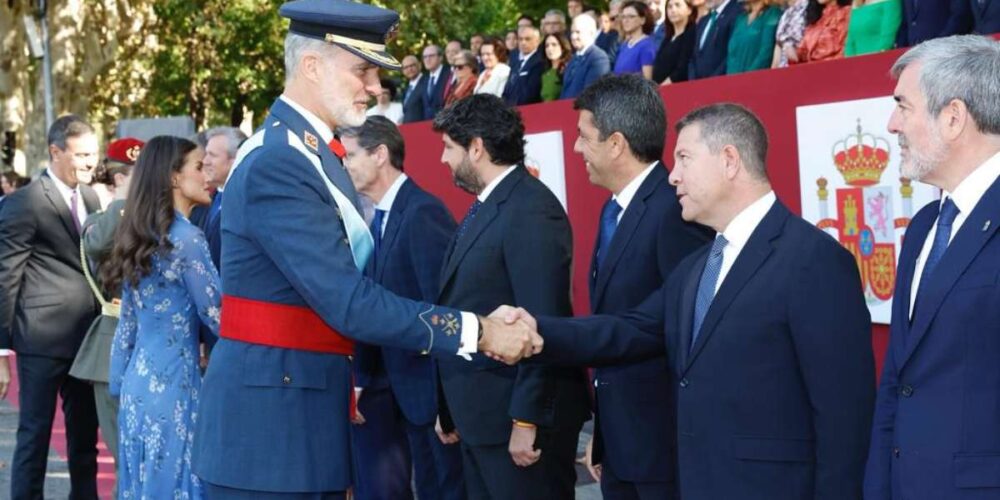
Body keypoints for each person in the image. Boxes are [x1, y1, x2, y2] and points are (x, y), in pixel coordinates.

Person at [190, 1, 539, 498]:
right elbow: (349, 301)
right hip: (270, 438)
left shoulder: (311, 153)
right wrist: (477, 330)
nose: (375, 87)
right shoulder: (281, 163)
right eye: (363, 70)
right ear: (311, 66)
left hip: (300, 415)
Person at [497, 103, 876, 500]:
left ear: (729, 160)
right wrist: (536, 332)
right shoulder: (695, 268)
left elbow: (844, 418)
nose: (673, 176)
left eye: (684, 159)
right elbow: (631, 328)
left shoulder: (814, 260)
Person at [431, 94, 591, 500]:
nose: (443, 160)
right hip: (482, 420)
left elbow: (542, 319)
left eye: (449, 148)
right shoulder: (489, 205)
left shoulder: (531, 209)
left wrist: (526, 419)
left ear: (477, 147)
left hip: (515, 427)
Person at [864, 34, 1000, 500]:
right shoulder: (924, 226)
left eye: (903, 106)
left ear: (954, 117)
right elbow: (899, 382)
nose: (891, 124)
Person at [572, 74, 714, 500]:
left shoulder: (675, 210)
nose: (577, 148)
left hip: (662, 448)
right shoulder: (614, 208)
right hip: (621, 442)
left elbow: (680, 330)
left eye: (584, 137)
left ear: (615, 144)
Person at [341, 117, 465, 500]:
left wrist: (447, 405)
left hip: (431, 402)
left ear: (380, 155)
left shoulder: (422, 213)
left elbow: (444, 312)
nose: (344, 165)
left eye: (351, 156)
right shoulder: (381, 217)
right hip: (405, 396)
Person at [100, 135, 215, 498]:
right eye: (199, 166)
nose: (207, 172)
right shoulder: (188, 239)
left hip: (137, 387)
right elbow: (220, 316)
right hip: (175, 387)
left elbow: (127, 328)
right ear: (174, 178)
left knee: (142, 487)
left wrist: (120, 384)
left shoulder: (143, 235)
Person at [0, 114, 102, 500]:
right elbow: (5, 277)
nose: (90, 162)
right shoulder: (23, 203)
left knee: (84, 441)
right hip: (40, 342)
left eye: (92, 153)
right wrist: (1, 351)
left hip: (86, 340)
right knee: (35, 437)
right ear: (55, 151)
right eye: (81, 154)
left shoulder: (92, 197)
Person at [68, 136, 144, 499]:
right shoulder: (104, 220)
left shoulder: (153, 219)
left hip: (154, 344)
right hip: (112, 343)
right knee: (124, 454)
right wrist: (125, 201)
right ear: (118, 180)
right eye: (137, 176)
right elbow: (97, 247)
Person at [199, 126, 247, 271]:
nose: (205, 161)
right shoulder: (210, 199)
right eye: (205, 154)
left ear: (235, 159)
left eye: (212, 155)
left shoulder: (244, 202)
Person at [688, 0, 743, 79]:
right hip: (698, 86)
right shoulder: (703, 20)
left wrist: (712, 82)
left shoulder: (737, 13)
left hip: (721, 85)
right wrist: (693, 80)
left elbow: (732, 55)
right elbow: (693, 56)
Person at [562, 14, 612, 99]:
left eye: (578, 32)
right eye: (572, 32)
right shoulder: (575, 57)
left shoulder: (599, 58)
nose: (573, 36)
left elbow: (591, 95)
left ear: (591, 33)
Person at [726, 0, 782, 74]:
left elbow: (766, 51)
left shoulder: (772, 13)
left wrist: (747, 77)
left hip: (757, 79)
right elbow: (732, 53)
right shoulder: (740, 18)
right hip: (732, 79)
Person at [652, 0, 697, 84]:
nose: (673, 10)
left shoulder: (692, 33)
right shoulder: (667, 38)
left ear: (689, 10)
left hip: (677, 90)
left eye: (677, 5)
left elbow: (683, 69)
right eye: (669, 7)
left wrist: (661, 88)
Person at [794, 0, 852, 64]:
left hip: (836, 67)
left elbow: (845, 48)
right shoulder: (815, 19)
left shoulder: (845, 13)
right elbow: (802, 52)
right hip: (812, 70)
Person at [896, 0, 972, 48]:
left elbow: (960, 14)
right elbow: (906, 21)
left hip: (943, 49)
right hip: (912, 50)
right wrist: (900, 48)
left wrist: (939, 41)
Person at [503, 26, 546, 106]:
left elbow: (531, 93)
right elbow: (508, 89)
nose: (523, 42)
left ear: (537, 41)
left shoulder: (541, 62)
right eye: (520, 39)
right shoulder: (515, 62)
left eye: (527, 39)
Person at [614, 1, 657, 79]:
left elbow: (648, 81)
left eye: (631, 16)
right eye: (623, 17)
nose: (625, 20)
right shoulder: (625, 44)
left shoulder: (647, 46)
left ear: (642, 20)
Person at [772, 0, 809, 67]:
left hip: (801, 70)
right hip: (781, 73)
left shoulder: (809, 8)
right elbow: (778, 48)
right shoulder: (785, 14)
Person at [422, 44, 453, 120]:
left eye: (431, 56)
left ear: (440, 58)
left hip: (446, 123)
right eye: (425, 57)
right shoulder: (424, 80)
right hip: (426, 126)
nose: (427, 59)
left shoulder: (450, 74)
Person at [540, 34, 572, 101]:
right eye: (547, 46)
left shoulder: (570, 70)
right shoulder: (545, 73)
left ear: (563, 48)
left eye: (554, 44)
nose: (550, 48)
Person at [401, 55, 428, 124]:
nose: (409, 69)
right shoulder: (406, 88)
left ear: (419, 65)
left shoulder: (427, 82)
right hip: (409, 129)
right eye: (406, 67)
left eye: (412, 65)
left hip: (423, 128)